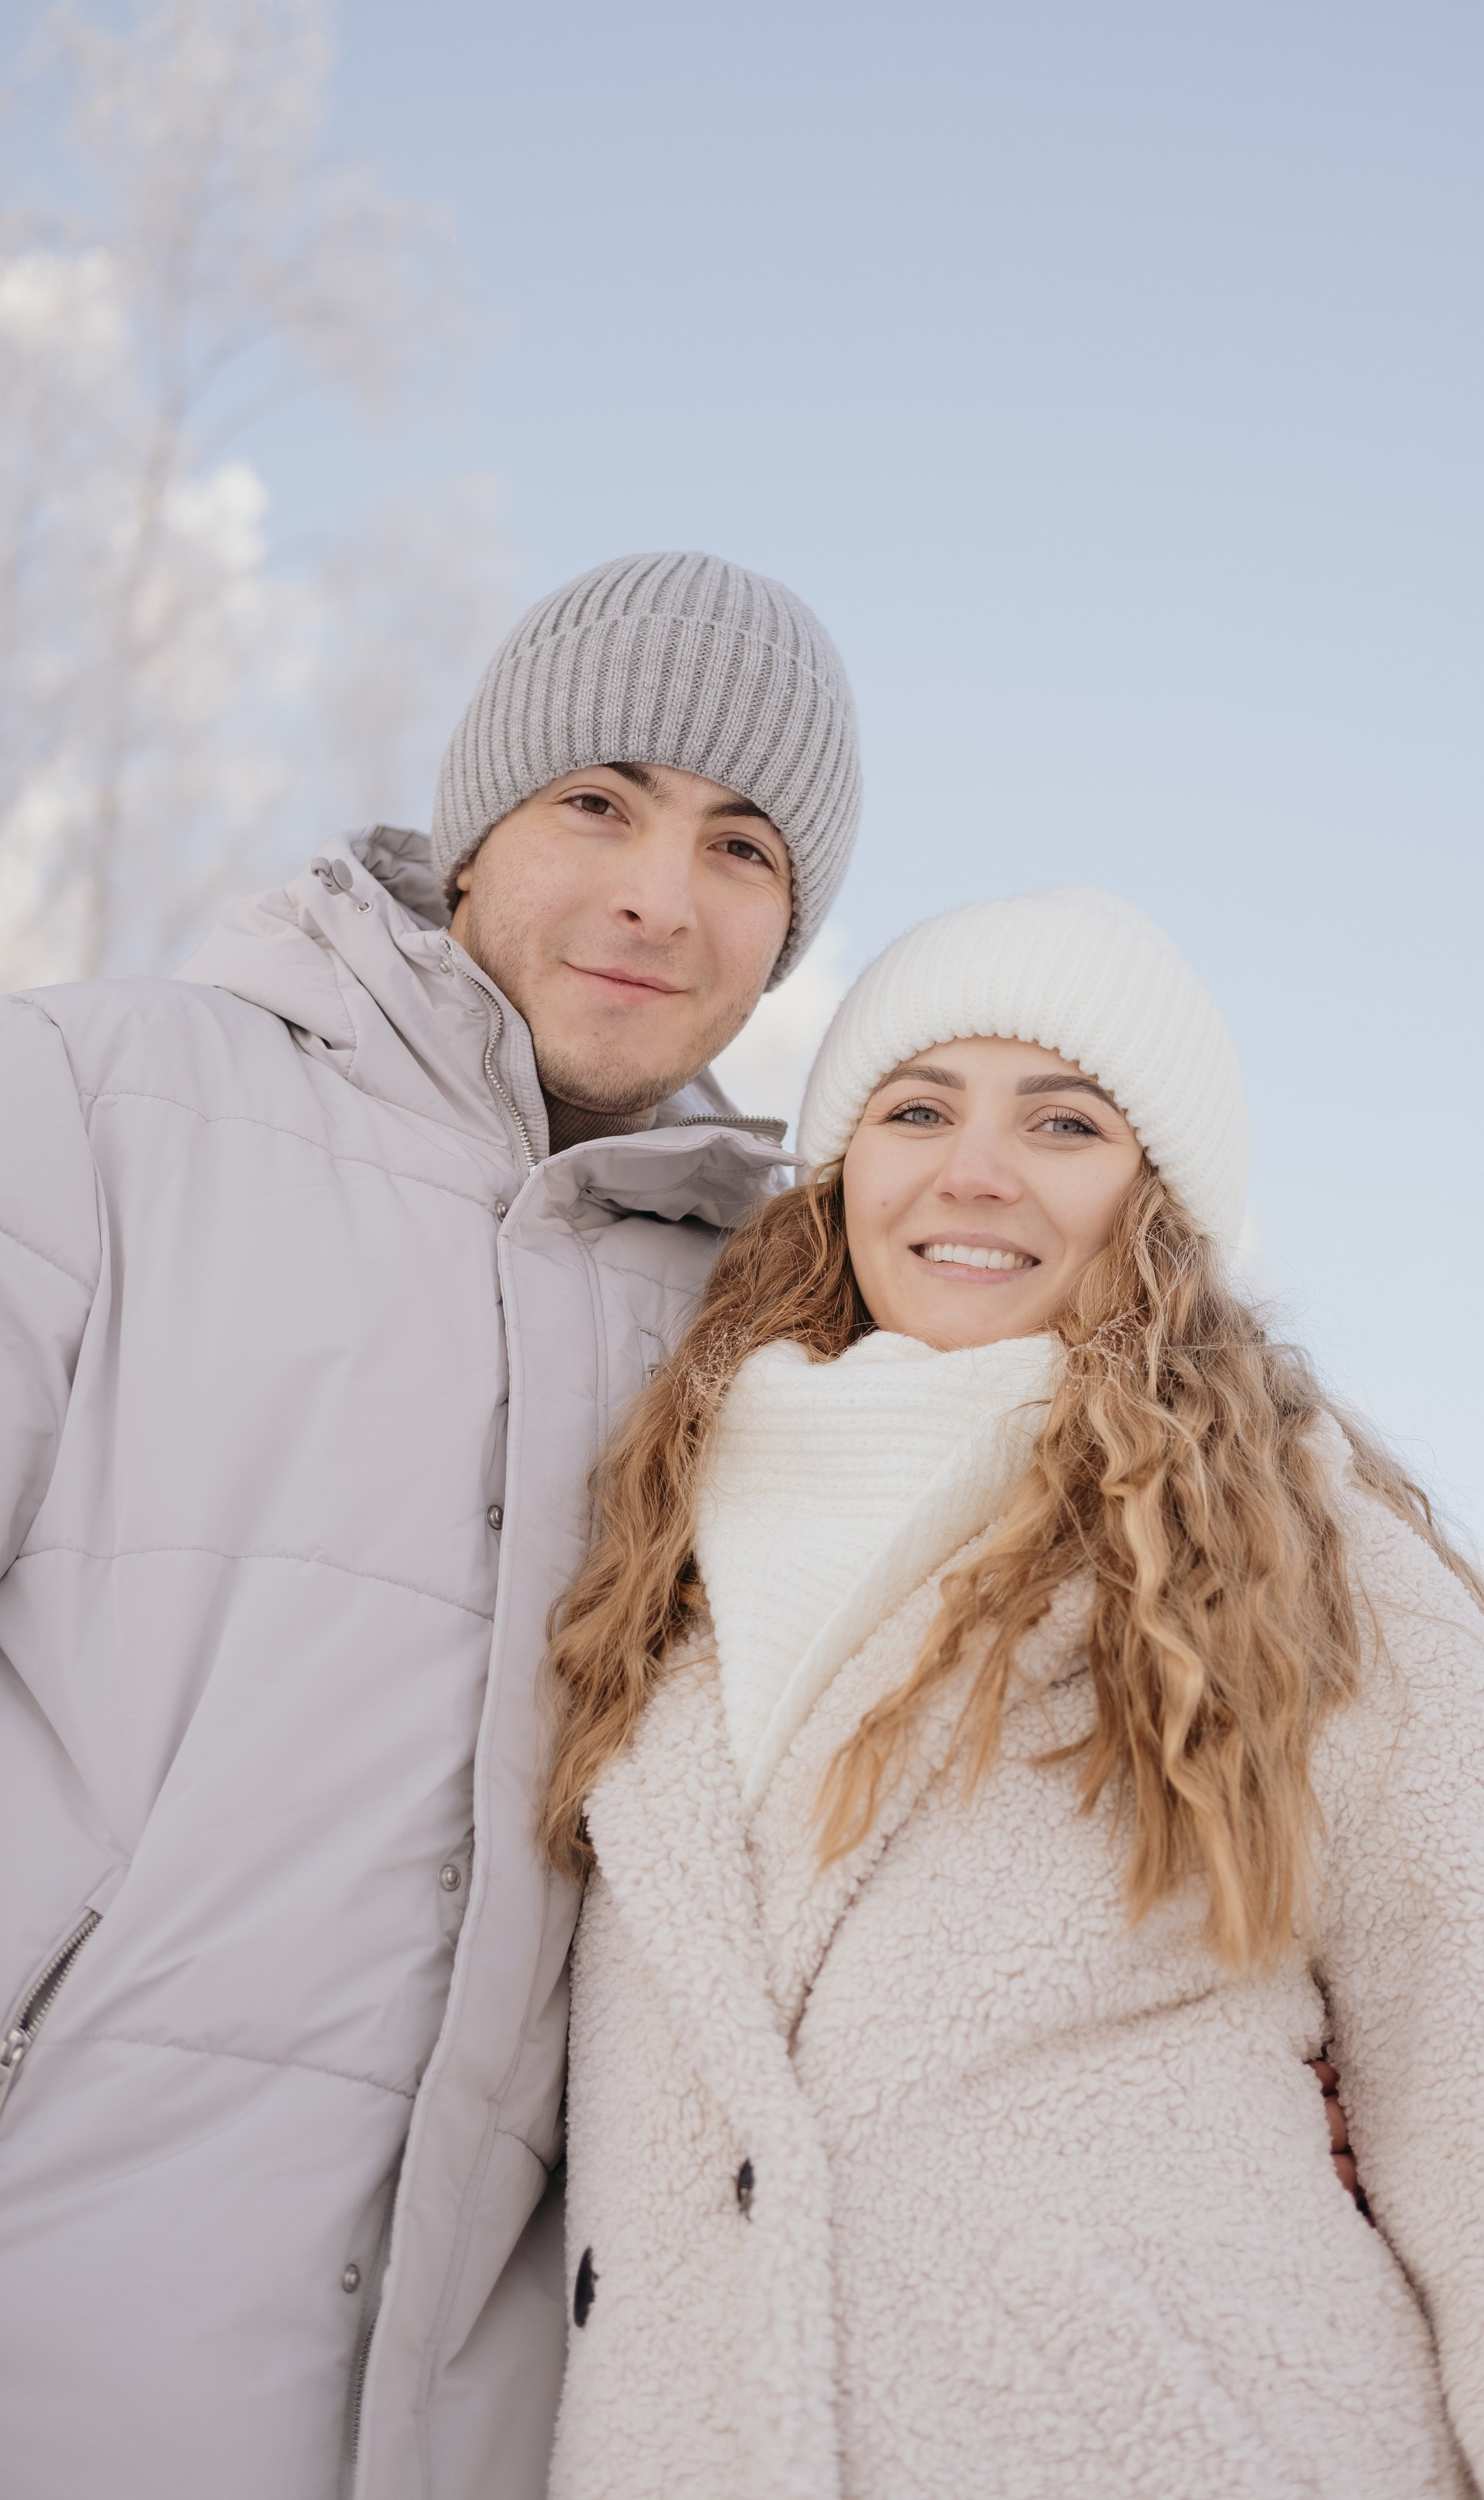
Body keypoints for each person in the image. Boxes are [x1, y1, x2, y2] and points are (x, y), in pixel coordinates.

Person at [540, 885, 1484, 2499]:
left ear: (1157, 1201)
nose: (973, 1171)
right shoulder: (654, 1537)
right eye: (915, 1109)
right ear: (843, 1167)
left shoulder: (1295, 1553)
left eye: (1062, 1123)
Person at [0, 552, 861, 2500]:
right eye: (599, 802)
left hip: (490, 2423)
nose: (660, 893)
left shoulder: (777, 1321)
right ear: (474, 830)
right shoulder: (95, 1103)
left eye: (741, 846)